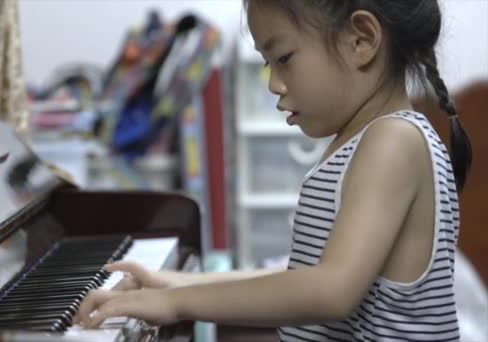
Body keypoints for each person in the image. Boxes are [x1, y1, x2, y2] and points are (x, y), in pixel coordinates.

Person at [74, 1, 473, 340]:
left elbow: (329, 290)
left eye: (283, 58)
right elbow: (302, 275)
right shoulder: (366, 139)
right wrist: (176, 283)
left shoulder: (393, 141)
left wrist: (175, 303)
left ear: (361, 40)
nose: (274, 84)